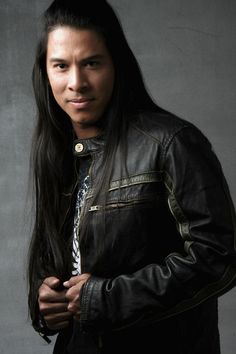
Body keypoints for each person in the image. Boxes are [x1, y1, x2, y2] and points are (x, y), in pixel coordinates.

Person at [27, 0, 236, 353]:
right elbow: (61, 261)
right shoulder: (56, 154)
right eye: (61, 66)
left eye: (92, 63)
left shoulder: (171, 143)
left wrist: (108, 298)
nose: (76, 82)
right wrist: (44, 302)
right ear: (46, 72)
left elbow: (219, 257)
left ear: (116, 65)